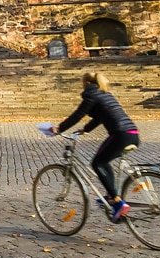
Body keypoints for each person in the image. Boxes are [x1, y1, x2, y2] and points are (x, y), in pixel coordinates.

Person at [42, 71, 139, 222]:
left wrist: (59, 128)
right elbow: (100, 117)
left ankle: (118, 202)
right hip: (132, 134)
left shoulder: (91, 95)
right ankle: (111, 197)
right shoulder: (105, 94)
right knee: (104, 162)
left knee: (98, 163)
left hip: (119, 135)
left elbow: (78, 115)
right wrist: (85, 130)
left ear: (86, 83)